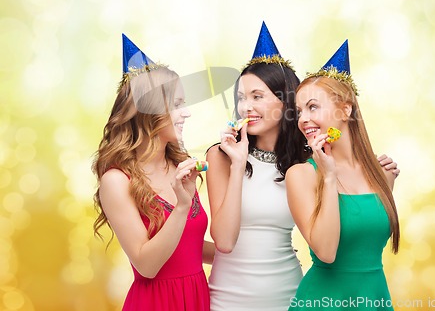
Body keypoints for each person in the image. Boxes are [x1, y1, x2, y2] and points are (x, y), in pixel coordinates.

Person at [207, 23, 399, 311]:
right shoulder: (222, 156)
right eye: (241, 98)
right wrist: (238, 164)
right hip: (230, 296)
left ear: (285, 102)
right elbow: (223, 240)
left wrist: (378, 174)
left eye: (257, 96)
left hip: (290, 291)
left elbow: (347, 211)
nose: (246, 107)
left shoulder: (307, 159)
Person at [92, 34, 213, 311]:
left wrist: (257, 255)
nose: (186, 113)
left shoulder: (180, 165)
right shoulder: (117, 180)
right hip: (156, 302)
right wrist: (182, 206)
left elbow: (190, 248)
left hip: (197, 298)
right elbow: (146, 264)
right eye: (178, 104)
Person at [286, 40, 400, 311]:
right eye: (299, 111)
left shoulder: (379, 174)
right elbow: (326, 253)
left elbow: (368, 237)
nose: (303, 119)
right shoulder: (301, 175)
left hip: (373, 299)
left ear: (345, 110)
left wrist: (387, 183)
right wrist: (328, 177)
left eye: (313, 107)